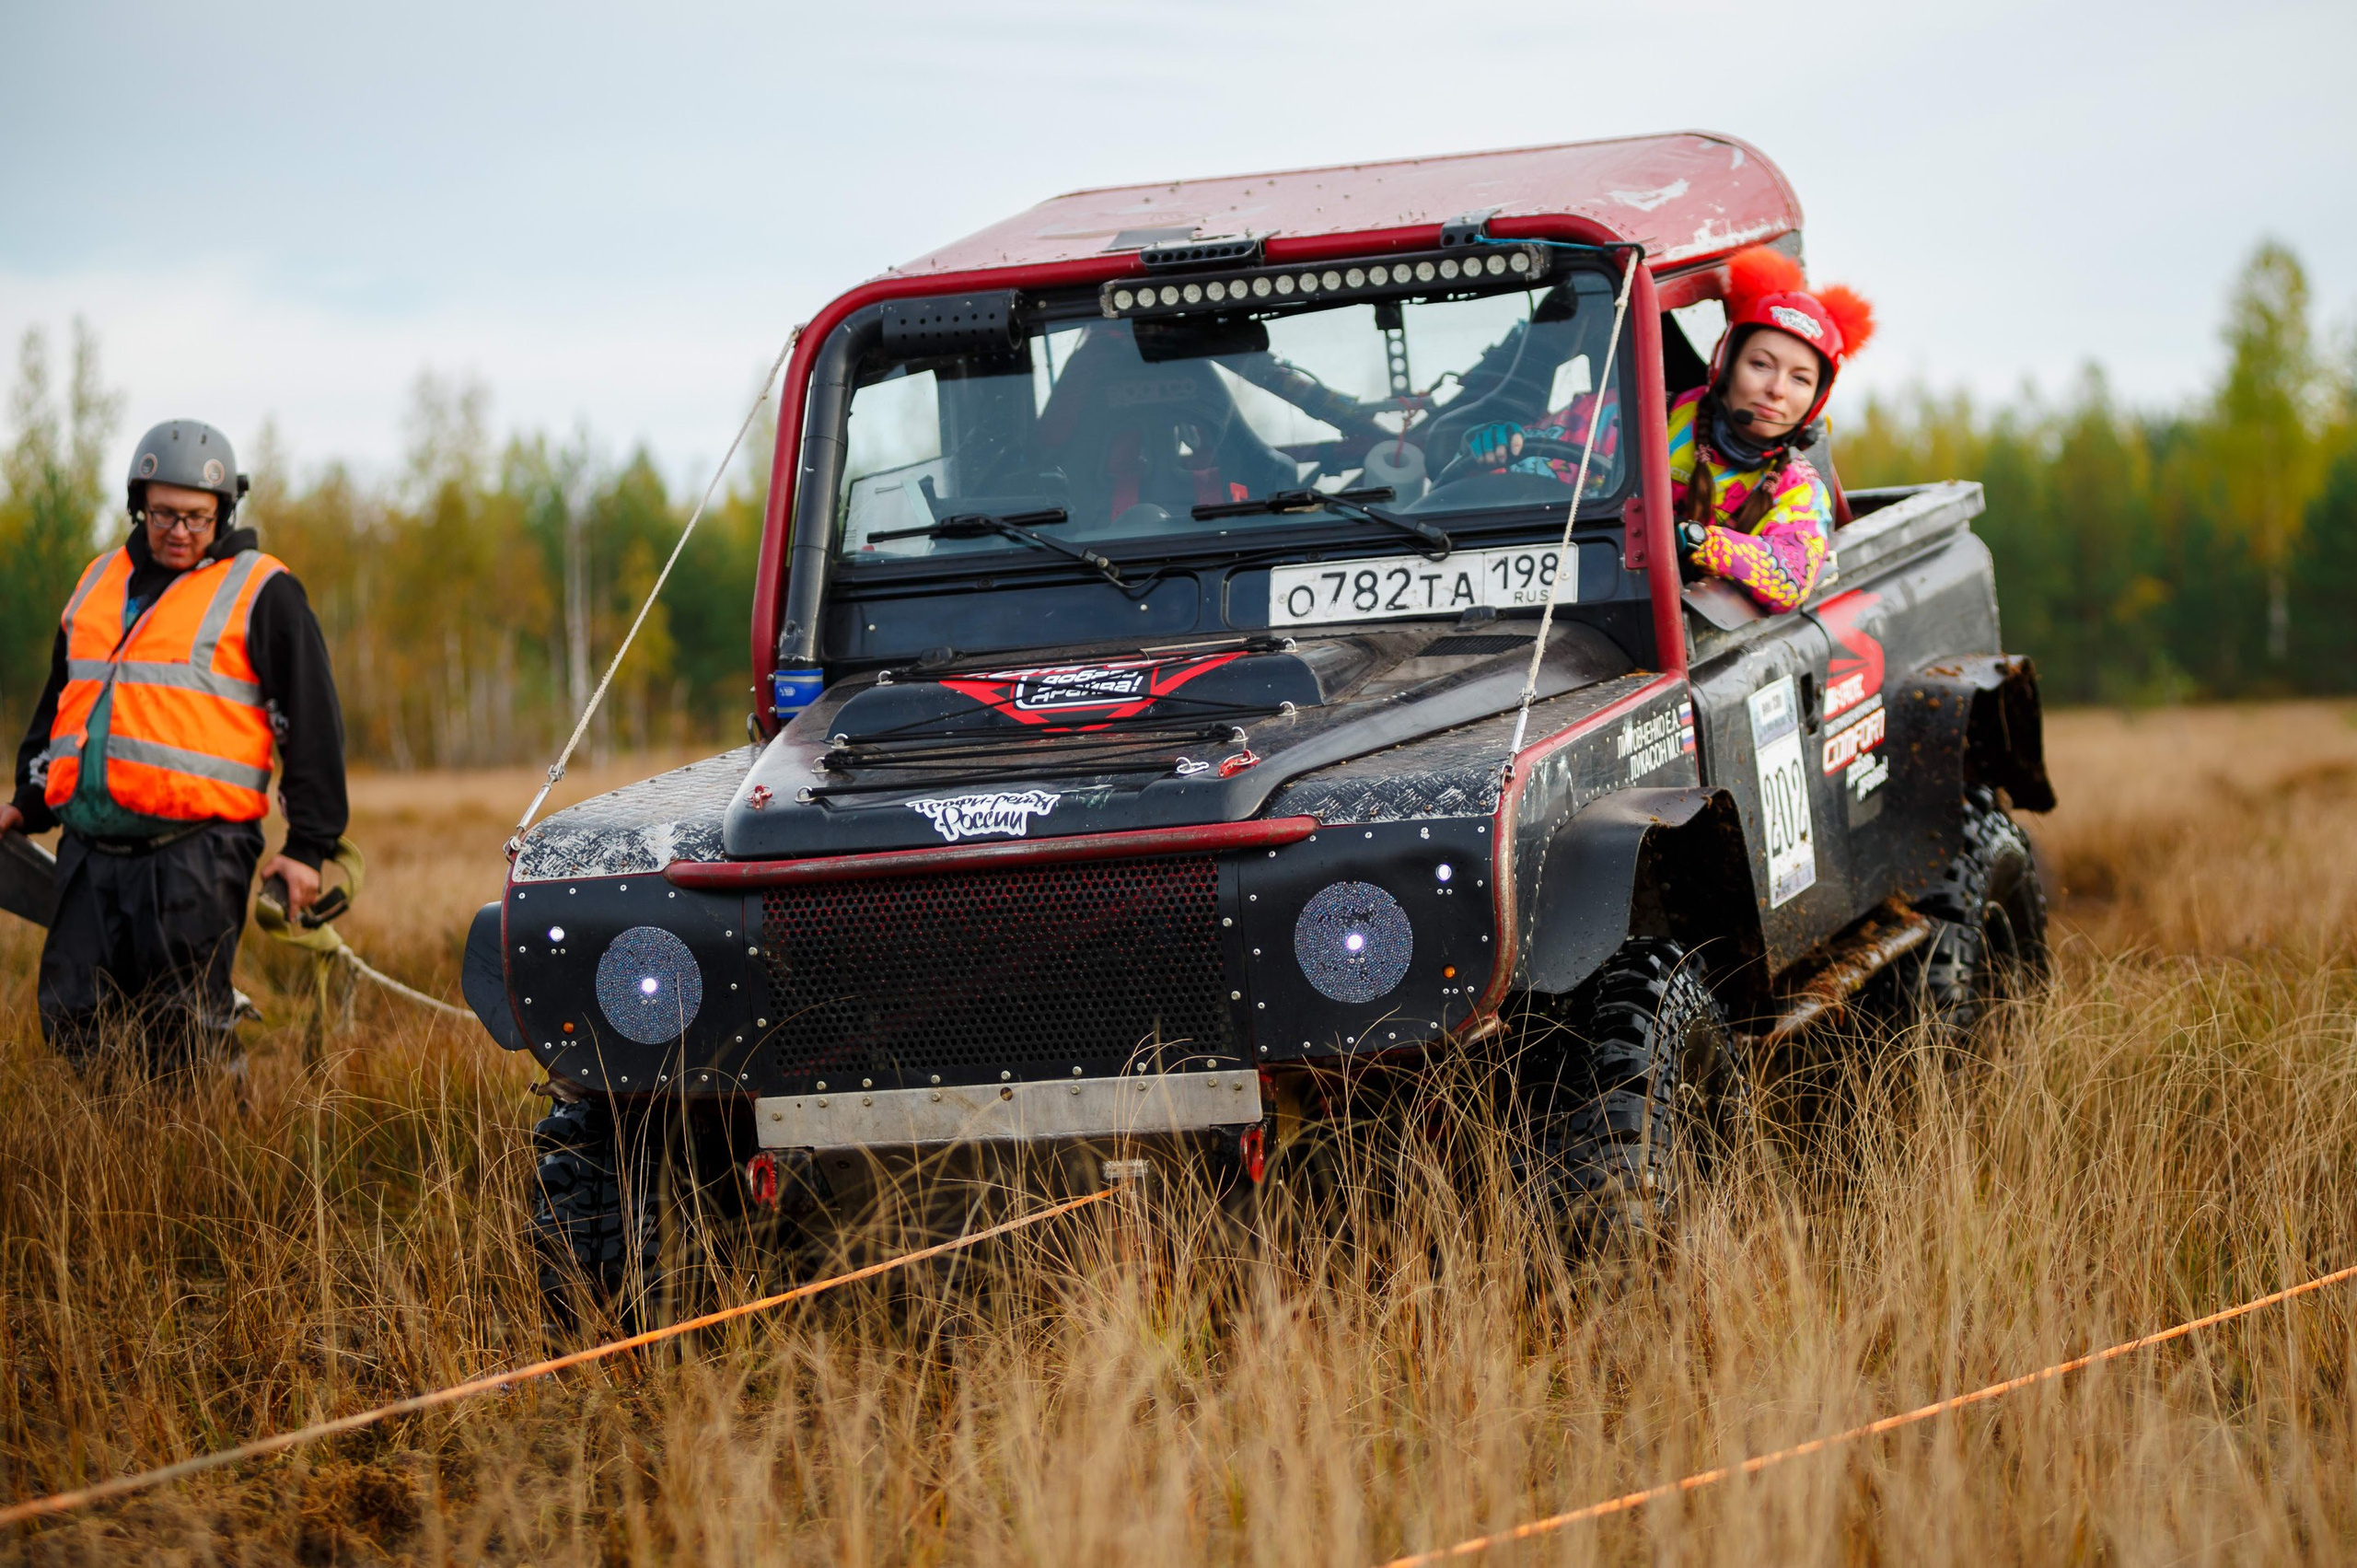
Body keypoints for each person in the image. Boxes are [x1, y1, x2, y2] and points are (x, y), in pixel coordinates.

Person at [0, 420, 348, 1078]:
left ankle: (205, 1160)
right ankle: (111, 1162)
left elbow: (313, 722)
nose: (180, 530)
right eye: (163, 514)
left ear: (224, 511)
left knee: (182, 1029)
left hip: (196, 852)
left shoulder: (263, 589)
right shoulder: (98, 580)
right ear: (139, 506)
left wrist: (308, 847)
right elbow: (61, 703)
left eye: (196, 516)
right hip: (88, 849)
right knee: (73, 1015)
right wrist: (27, 800)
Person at [1457, 246, 1875, 612]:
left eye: (1800, 379)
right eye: (1760, 364)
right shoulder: (1635, 418)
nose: (1776, 390)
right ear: (1725, 363)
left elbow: (1789, 576)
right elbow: (1539, 469)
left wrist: (1697, 541)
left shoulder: (1798, 487)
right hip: (1589, 604)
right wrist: (1498, 451)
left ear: (1817, 398)